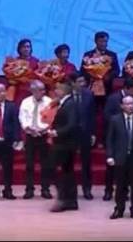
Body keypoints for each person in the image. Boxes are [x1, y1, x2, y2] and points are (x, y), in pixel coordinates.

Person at [106, 95, 133, 220]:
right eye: (127, 104)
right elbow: (110, 139)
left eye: (132, 103)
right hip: (119, 157)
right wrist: (110, 155)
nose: (130, 106)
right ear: (122, 106)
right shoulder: (114, 119)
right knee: (120, 186)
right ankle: (119, 209)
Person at [19, 80, 53, 199]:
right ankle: (29, 189)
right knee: (29, 164)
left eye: (44, 89)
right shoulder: (26, 102)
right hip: (30, 136)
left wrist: (44, 130)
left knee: (45, 164)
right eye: (41, 90)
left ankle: (45, 189)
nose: (43, 92)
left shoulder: (49, 102)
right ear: (33, 91)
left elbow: (52, 119)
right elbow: (22, 117)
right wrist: (28, 129)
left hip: (44, 136)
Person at [48, 79, 79, 212]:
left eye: (57, 89)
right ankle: (71, 200)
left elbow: (72, 124)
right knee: (67, 172)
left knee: (56, 171)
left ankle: (62, 199)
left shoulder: (70, 104)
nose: (55, 91)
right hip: (65, 144)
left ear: (64, 90)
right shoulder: (64, 103)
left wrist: (56, 132)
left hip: (64, 145)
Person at [102, 84, 133, 201]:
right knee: (110, 169)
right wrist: (119, 121)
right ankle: (108, 191)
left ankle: (124, 191)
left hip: (129, 137)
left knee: (126, 168)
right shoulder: (112, 98)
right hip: (115, 136)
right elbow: (106, 115)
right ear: (127, 88)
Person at [70, 72, 96, 199]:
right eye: (79, 82)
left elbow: (92, 115)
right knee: (69, 163)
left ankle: (87, 189)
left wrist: (93, 133)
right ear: (72, 83)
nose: (83, 84)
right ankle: (70, 190)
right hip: (69, 134)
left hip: (85, 133)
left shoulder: (89, 95)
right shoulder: (66, 95)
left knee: (86, 163)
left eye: (83, 81)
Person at [81, 31, 120, 100]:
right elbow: (82, 70)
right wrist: (92, 77)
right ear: (95, 41)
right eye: (101, 41)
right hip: (91, 87)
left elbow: (117, 70)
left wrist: (108, 76)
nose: (103, 44)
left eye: (105, 41)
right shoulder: (88, 55)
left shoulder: (112, 55)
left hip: (107, 88)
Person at [13, 39, 39, 106]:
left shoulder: (36, 61)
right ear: (19, 49)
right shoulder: (14, 61)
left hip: (32, 90)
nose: (26, 49)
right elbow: (11, 77)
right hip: (18, 90)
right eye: (24, 47)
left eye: (28, 47)